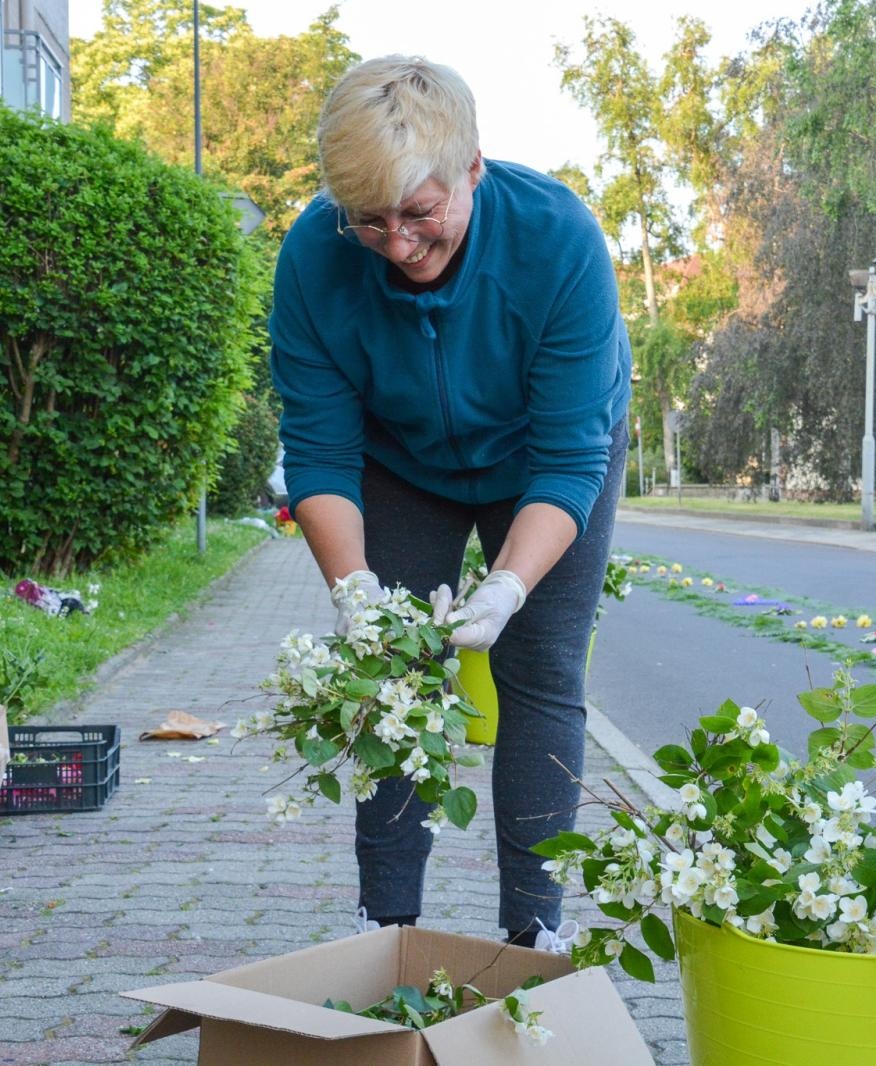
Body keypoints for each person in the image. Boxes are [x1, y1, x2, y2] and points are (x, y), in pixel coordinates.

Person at [268, 55, 631, 950]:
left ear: (474, 167)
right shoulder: (315, 257)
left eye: (421, 214)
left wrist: (506, 588)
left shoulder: (559, 242)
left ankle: (533, 941)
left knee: (541, 671)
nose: (398, 245)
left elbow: (568, 460)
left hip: (544, 462)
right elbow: (319, 452)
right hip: (400, 462)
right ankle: (385, 931)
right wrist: (355, 591)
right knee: (391, 670)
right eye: (372, 223)